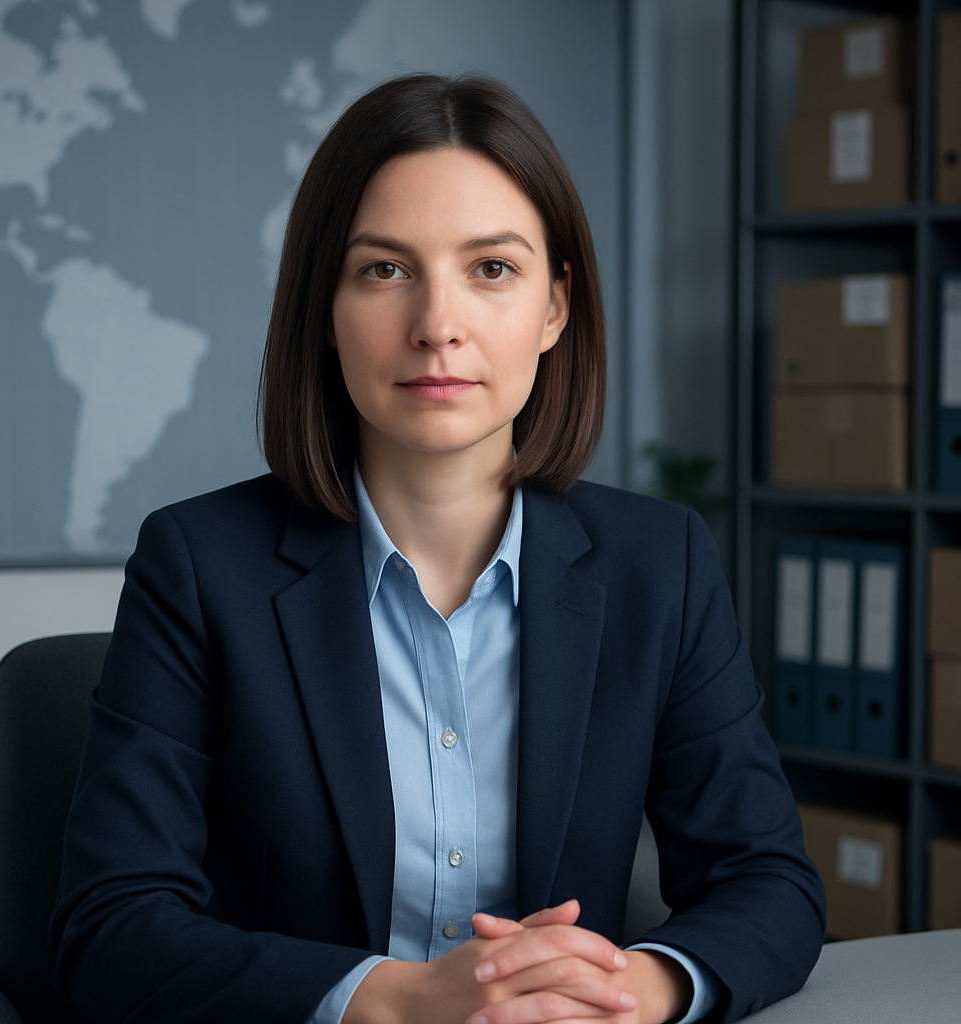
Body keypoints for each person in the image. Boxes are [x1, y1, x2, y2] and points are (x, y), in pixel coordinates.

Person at [51, 74, 825, 1024]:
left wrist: (624, 992)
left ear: (555, 308)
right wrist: (404, 1000)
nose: (437, 325)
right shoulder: (198, 566)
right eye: (385, 270)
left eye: (491, 268)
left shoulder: (659, 564)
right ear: (323, 313)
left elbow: (769, 883)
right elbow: (110, 932)